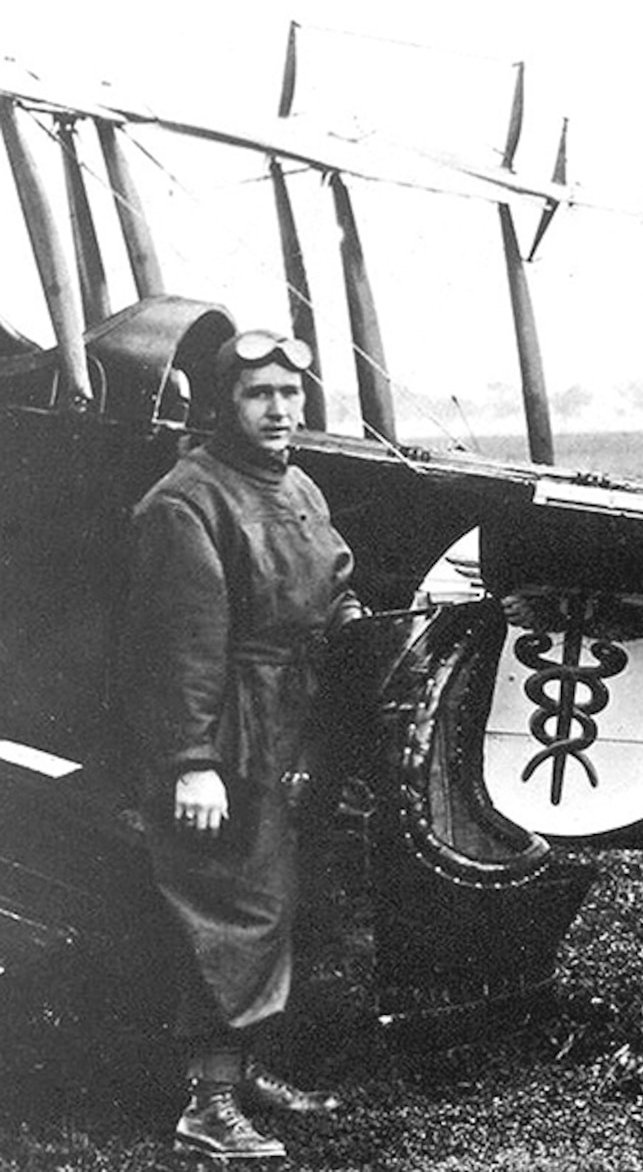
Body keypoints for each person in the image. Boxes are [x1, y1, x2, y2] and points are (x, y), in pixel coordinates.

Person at [123, 329, 363, 1160]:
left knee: (283, 902)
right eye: (260, 395)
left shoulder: (297, 485)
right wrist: (193, 763)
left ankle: (246, 1070)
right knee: (232, 906)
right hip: (229, 731)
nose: (280, 409)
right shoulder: (185, 502)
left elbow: (328, 591)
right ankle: (208, 1103)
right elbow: (176, 651)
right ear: (223, 404)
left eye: (291, 394)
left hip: (296, 719)